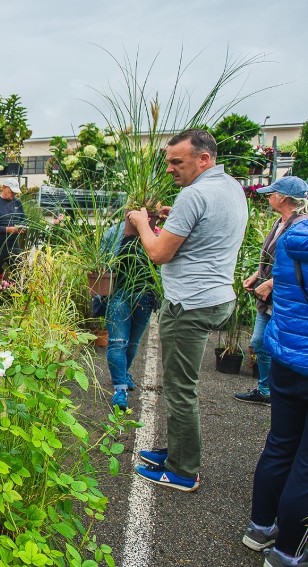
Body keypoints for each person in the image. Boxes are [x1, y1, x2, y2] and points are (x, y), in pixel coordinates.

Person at [126, 129, 248, 492]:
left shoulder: (194, 195)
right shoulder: (229, 187)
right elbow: (203, 231)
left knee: (180, 389)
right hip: (216, 295)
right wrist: (173, 215)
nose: (169, 169)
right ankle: (177, 451)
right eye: (168, 162)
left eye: (177, 162)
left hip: (190, 304)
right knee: (182, 386)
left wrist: (142, 222)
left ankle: (182, 470)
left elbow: (159, 253)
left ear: (203, 159)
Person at [241, 212, 308, 567]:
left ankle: (260, 528)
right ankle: (287, 553)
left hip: (286, 357)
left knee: (280, 445)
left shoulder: (292, 236)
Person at [235, 176, 308, 406]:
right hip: (267, 296)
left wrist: (271, 283)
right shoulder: (280, 223)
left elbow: (299, 268)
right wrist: (258, 276)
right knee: (260, 342)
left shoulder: (300, 226)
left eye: (272, 193)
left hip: (285, 300)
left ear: (283, 198)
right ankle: (266, 389)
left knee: (272, 343)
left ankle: (273, 390)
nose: (268, 197)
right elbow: (272, 258)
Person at [103, 220, 161, 412]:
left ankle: (122, 376)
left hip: (142, 294)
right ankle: (120, 387)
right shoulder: (152, 232)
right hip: (123, 293)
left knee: (127, 342)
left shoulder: (158, 231)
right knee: (121, 342)